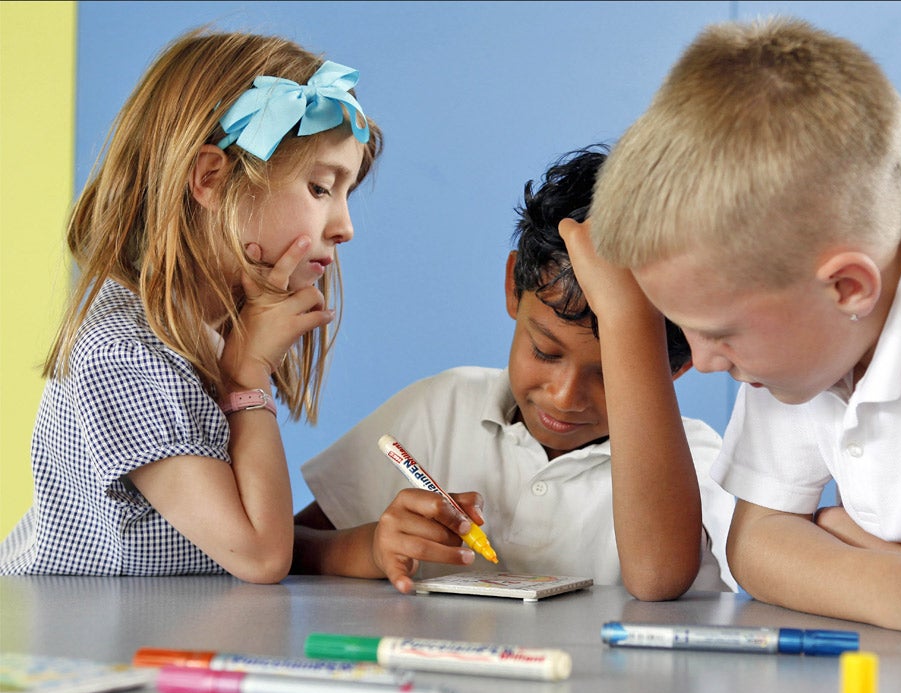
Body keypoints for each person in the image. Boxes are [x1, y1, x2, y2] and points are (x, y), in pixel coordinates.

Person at [582, 16, 901, 639]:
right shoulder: (804, 347)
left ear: (847, 288)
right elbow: (758, 544)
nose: (704, 360)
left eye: (721, 332)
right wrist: (898, 585)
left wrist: (875, 556)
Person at [0, 28, 383, 582]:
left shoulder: (208, 333)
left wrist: (361, 547)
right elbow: (258, 553)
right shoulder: (122, 354)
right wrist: (248, 376)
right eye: (321, 189)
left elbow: (213, 538)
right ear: (210, 178)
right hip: (68, 648)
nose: (344, 228)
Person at [293, 145, 737, 599]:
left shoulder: (705, 462)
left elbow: (659, 578)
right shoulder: (440, 408)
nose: (565, 397)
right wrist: (368, 548)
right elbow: (287, 544)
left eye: (610, 374)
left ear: (677, 367)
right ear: (512, 286)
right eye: (545, 351)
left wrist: (629, 319)